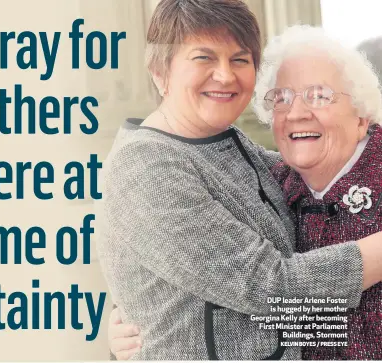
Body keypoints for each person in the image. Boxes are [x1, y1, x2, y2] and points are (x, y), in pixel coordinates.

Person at [97, 0, 382, 360]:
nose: (225, 75)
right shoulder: (147, 167)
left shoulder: (224, 143)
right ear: (159, 71)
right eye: (203, 57)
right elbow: (271, 285)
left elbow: (312, 164)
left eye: (239, 59)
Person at [253, 25, 382, 360]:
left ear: (360, 115)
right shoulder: (263, 188)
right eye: (281, 98)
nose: (296, 113)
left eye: (320, 95)